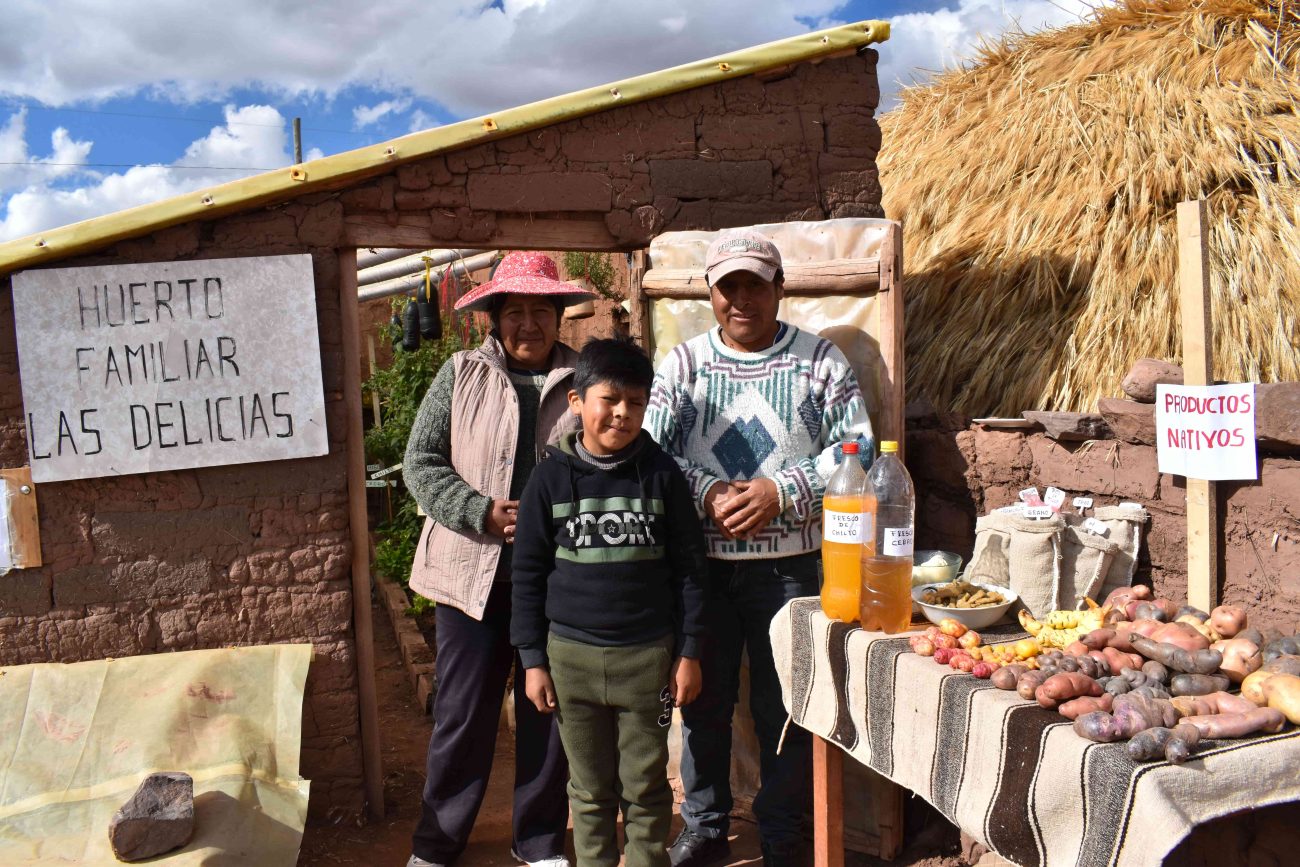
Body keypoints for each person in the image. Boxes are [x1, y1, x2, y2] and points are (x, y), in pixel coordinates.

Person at [645, 229, 874, 867]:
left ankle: (782, 831)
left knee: (790, 708)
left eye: (755, 284)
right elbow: (651, 457)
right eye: (728, 286)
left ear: (780, 289)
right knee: (704, 704)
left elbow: (860, 447)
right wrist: (708, 492)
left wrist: (783, 489)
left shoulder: (820, 361)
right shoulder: (684, 366)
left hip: (792, 570)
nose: (741, 298)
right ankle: (707, 826)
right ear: (712, 294)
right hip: (702, 572)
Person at [404, 251, 595, 867]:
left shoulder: (584, 382)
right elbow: (421, 463)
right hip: (471, 575)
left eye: (542, 311)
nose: (528, 325)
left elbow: (612, 456)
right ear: (493, 317)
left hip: (558, 582)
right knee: (463, 715)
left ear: (560, 316)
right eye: (515, 312)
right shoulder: (461, 374)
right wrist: (479, 510)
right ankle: (437, 845)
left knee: (549, 712)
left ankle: (538, 842)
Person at [511, 338, 710, 867]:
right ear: (577, 401)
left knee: (645, 787)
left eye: (637, 403)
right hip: (570, 660)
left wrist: (688, 653)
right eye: (610, 399)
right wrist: (532, 661)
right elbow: (527, 574)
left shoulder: (662, 475)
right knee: (589, 787)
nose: (623, 414)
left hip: (647, 660)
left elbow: (691, 570)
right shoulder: (549, 478)